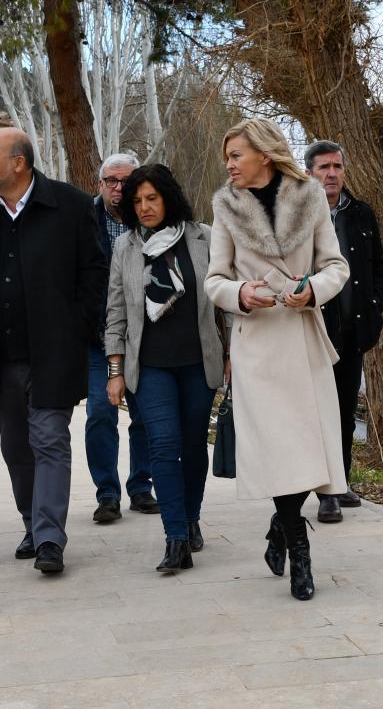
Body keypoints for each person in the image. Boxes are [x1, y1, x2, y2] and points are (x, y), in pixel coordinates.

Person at [0, 127, 107, 575]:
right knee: (16, 445)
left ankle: (51, 537)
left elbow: (94, 273)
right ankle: (32, 524)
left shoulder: (71, 205)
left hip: (54, 350)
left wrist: (77, 323)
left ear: (19, 162)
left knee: (51, 439)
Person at [205, 118, 350, 601]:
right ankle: (299, 547)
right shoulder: (225, 206)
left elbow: (336, 266)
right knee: (278, 450)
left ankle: (278, 526)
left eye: (236, 156)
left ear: (264, 155)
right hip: (257, 345)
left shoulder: (309, 198)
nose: (229, 165)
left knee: (310, 449)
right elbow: (214, 280)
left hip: (302, 336)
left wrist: (312, 291)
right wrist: (241, 292)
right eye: (227, 157)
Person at [103, 164, 225, 573]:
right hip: (150, 366)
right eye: (137, 201)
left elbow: (223, 302)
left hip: (197, 363)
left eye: (151, 198)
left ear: (168, 197)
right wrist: (115, 371)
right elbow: (116, 313)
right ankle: (175, 539)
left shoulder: (203, 237)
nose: (144, 207)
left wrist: (232, 355)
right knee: (163, 446)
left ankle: (191, 518)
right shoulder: (126, 247)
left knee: (193, 447)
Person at [304, 140, 383, 524]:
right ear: (309, 173)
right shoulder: (299, 217)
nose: (332, 173)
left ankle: (341, 482)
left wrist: (375, 315)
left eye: (337, 166)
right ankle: (326, 492)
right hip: (313, 332)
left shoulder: (362, 214)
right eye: (324, 167)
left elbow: (378, 269)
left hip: (353, 334)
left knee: (344, 411)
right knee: (318, 413)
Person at [87, 152, 156, 523]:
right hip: (99, 338)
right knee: (101, 413)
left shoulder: (151, 220)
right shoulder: (84, 220)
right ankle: (107, 494)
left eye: (125, 181)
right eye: (110, 181)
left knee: (145, 414)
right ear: (100, 184)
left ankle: (141, 487)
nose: (118, 188)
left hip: (145, 337)